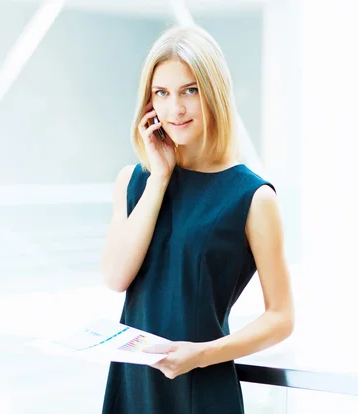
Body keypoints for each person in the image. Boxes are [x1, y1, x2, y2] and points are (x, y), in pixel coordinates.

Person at [100, 24, 294, 414]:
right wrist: (159, 177)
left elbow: (281, 317)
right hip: (133, 383)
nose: (175, 109)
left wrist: (202, 355)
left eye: (190, 90)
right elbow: (116, 277)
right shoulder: (134, 180)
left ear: (214, 92)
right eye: (162, 93)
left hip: (200, 386)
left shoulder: (252, 197)